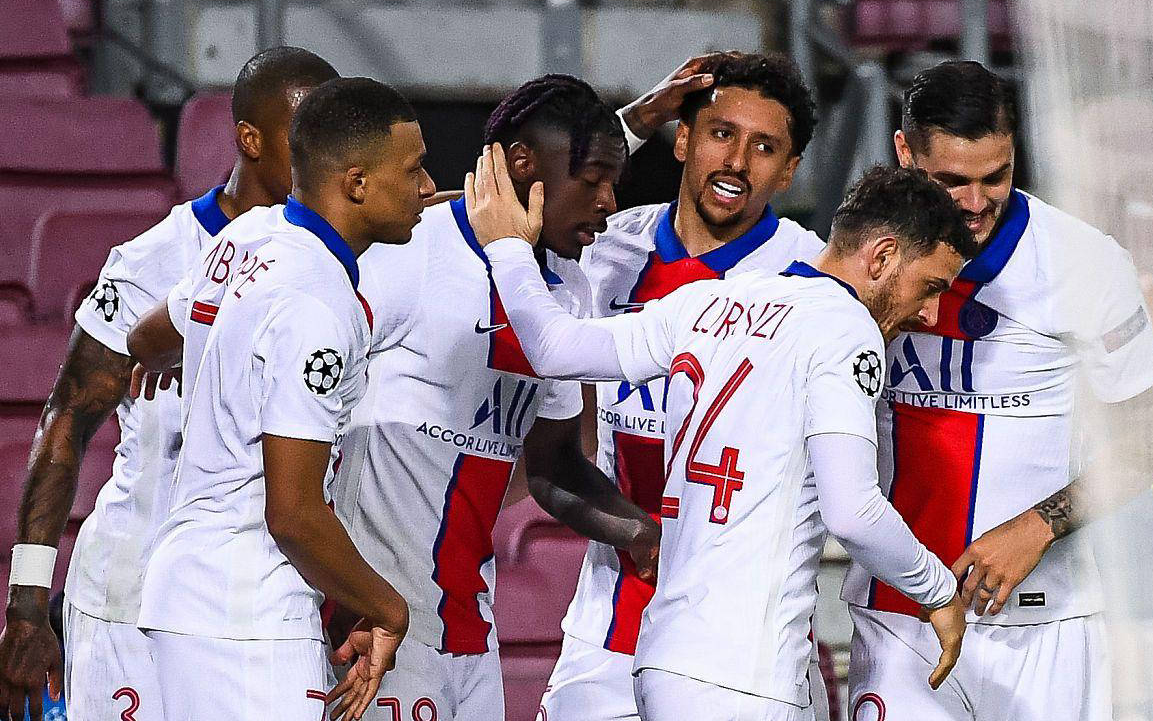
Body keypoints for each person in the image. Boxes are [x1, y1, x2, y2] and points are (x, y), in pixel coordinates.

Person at [467, 146, 973, 721]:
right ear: (882, 257)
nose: (931, 314)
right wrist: (937, 590)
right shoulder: (845, 329)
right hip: (745, 676)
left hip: (660, 659)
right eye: (930, 286)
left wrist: (508, 249)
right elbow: (853, 512)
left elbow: (555, 349)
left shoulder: (709, 300)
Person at [0, 47, 338, 721]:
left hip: (261, 612)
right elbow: (66, 420)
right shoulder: (155, 261)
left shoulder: (340, 264)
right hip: (132, 601)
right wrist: (28, 604)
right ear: (250, 139)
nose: (325, 154)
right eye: (307, 134)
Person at [841, 60, 1153, 721]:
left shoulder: (1086, 260)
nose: (974, 203)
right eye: (952, 181)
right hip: (899, 621)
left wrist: (1038, 526)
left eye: (995, 176)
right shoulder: (859, 258)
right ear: (905, 152)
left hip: (1048, 629)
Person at [332, 74, 659, 720]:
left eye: (613, 182)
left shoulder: (565, 290)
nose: (608, 202)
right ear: (522, 164)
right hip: (376, 626)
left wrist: (642, 534)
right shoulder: (407, 251)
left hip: (470, 630)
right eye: (592, 180)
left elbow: (554, 464)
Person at [535, 51, 832, 721]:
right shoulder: (604, 245)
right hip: (607, 632)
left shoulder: (813, 274)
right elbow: (502, 202)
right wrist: (633, 121)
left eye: (764, 148)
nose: (737, 163)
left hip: (745, 654)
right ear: (684, 139)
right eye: (722, 134)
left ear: (789, 171)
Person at [135, 77, 434, 721]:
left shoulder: (250, 235)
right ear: (357, 183)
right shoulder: (315, 303)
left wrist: (207, 365)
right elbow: (293, 514)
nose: (427, 187)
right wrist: (388, 609)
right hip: (247, 611)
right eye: (413, 170)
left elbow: (147, 339)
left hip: (188, 592)